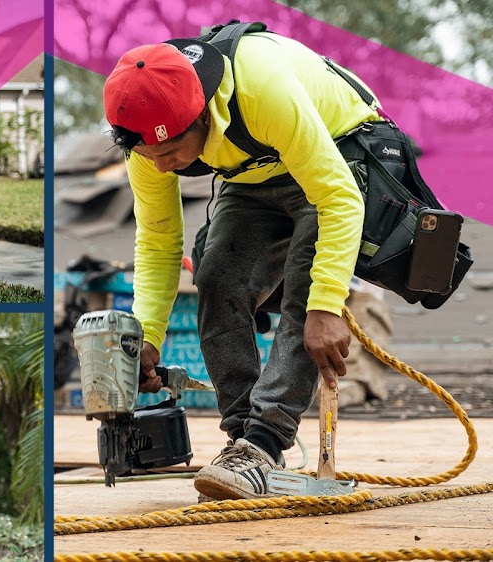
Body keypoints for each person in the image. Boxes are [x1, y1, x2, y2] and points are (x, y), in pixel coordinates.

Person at [103, 27, 380, 500]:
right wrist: (147, 335)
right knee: (215, 277)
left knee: (307, 297)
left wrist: (328, 304)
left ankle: (267, 437)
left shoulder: (261, 88)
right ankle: (246, 446)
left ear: (202, 115)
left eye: (170, 153)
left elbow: (338, 197)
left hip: (339, 153)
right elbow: (157, 240)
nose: (164, 167)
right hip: (255, 172)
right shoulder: (145, 143)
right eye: (152, 156)